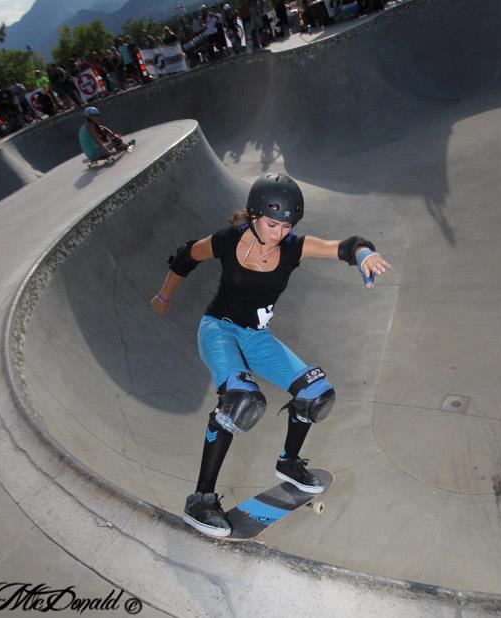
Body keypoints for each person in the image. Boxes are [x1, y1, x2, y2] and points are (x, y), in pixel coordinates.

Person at [150, 173, 391, 537]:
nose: (280, 233)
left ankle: (288, 462)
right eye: (272, 224)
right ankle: (201, 499)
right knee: (241, 403)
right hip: (218, 329)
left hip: (257, 338)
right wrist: (164, 295)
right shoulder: (228, 240)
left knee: (316, 394)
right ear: (253, 215)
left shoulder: (294, 247)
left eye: (287, 226)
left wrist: (364, 253)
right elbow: (186, 256)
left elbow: (345, 246)